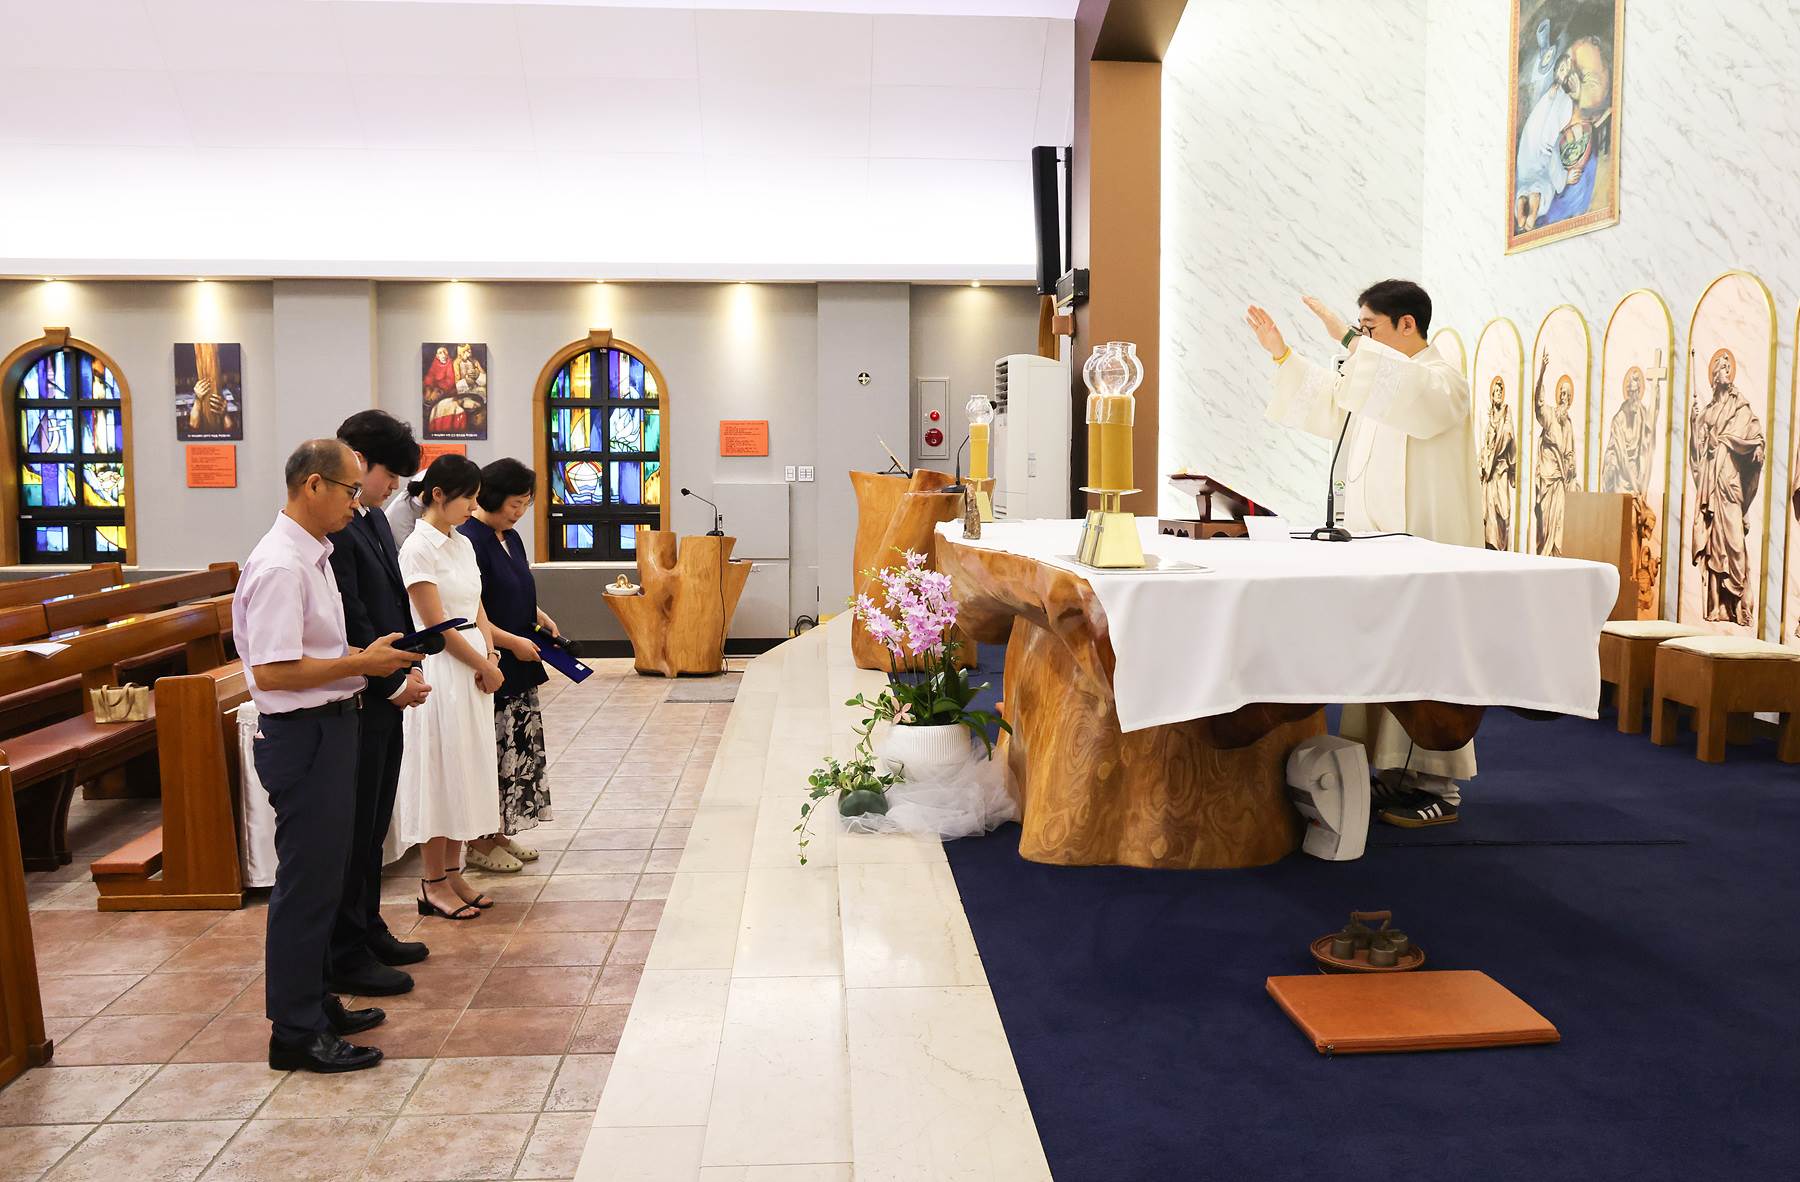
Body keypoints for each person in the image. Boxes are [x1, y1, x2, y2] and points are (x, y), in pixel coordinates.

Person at [1247, 279, 1481, 827]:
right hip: (1376, 554)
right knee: (1381, 660)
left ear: (1408, 324)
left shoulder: (1440, 382)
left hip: (1425, 557)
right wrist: (1282, 355)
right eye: (1359, 328)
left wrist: (1349, 340)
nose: (1361, 338)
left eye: (1370, 327)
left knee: (1424, 663)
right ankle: (1392, 774)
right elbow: (1332, 405)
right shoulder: (1382, 382)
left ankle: (1439, 787)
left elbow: (1405, 394)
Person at [235, 439, 421, 1073]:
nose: (358, 503)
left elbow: (315, 652)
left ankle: (316, 1002)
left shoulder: (314, 555)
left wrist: (365, 664)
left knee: (330, 875)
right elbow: (274, 671)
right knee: (308, 886)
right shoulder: (281, 565)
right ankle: (295, 1031)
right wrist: (362, 664)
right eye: (349, 491)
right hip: (305, 734)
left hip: (332, 727)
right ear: (313, 485)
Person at [325, 411, 432, 999]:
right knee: (353, 825)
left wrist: (410, 664)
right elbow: (351, 615)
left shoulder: (369, 520)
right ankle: (345, 949)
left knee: (374, 823)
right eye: (389, 475)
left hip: (386, 686)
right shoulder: (337, 528)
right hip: (362, 696)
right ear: (359, 461)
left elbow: (390, 604)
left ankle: (367, 927)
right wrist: (389, 683)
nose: (393, 488)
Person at [391, 455, 506, 920]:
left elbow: (477, 607)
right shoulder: (418, 548)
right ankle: (432, 880)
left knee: (466, 770)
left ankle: (454, 873)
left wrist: (492, 655)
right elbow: (435, 624)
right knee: (439, 772)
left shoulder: (462, 543)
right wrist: (482, 663)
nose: (474, 507)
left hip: (475, 668)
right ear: (438, 494)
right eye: (468, 498)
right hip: (443, 669)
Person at [459, 459, 560, 873]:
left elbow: (516, 588)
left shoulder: (511, 538)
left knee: (514, 752)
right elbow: (473, 608)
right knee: (491, 752)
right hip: (494, 658)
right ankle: (478, 841)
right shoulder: (470, 540)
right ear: (492, 496)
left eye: (526, 504)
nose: (519, 512)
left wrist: (539, 615)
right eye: (515, 503)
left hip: (520, 658)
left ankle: (499, 832)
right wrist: (510, 642)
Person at [1688, 348, 1765, 627]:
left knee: (1734, 542)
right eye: (1722, 368)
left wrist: (1758, 447)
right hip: (1712, 481)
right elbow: (1697, 453)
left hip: (1730, 481)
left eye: (1728, 367)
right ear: (1713, 376)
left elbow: (1754, 433)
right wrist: (1694, 423)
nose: (1727, 372)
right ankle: (1718, 605)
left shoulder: (1739, 405)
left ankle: (1740, 605)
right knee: (1713, 545)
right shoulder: (1708, 411)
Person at [1532, 354, 1580, 556]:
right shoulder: (1549, 414)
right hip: (1546, 479)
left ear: (1569, 401)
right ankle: (1545, 555)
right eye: (1561, 393)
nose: (1563, 397)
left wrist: (1570, 466)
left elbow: (1570, 453)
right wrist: (1542, 372)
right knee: (1545, 524)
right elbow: (1538, 404)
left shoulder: (1567, 424)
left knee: (1559, 524)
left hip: (1560, 481)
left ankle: (1556, 557)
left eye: (1566, 395)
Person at [1477, 376, 1517, 550]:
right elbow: (1485, 447)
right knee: (1489, 513)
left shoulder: (1506, 416)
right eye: (1496, 392)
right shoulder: (1489, 422)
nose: (1499, 394)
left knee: (1503, 511)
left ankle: (1502, 545)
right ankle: (1490, 546)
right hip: (1489, 475)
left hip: (1500, 470)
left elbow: (1509, 438)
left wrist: (1511, 468)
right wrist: (1483, 463)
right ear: (1492, 396)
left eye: (1501, 391)